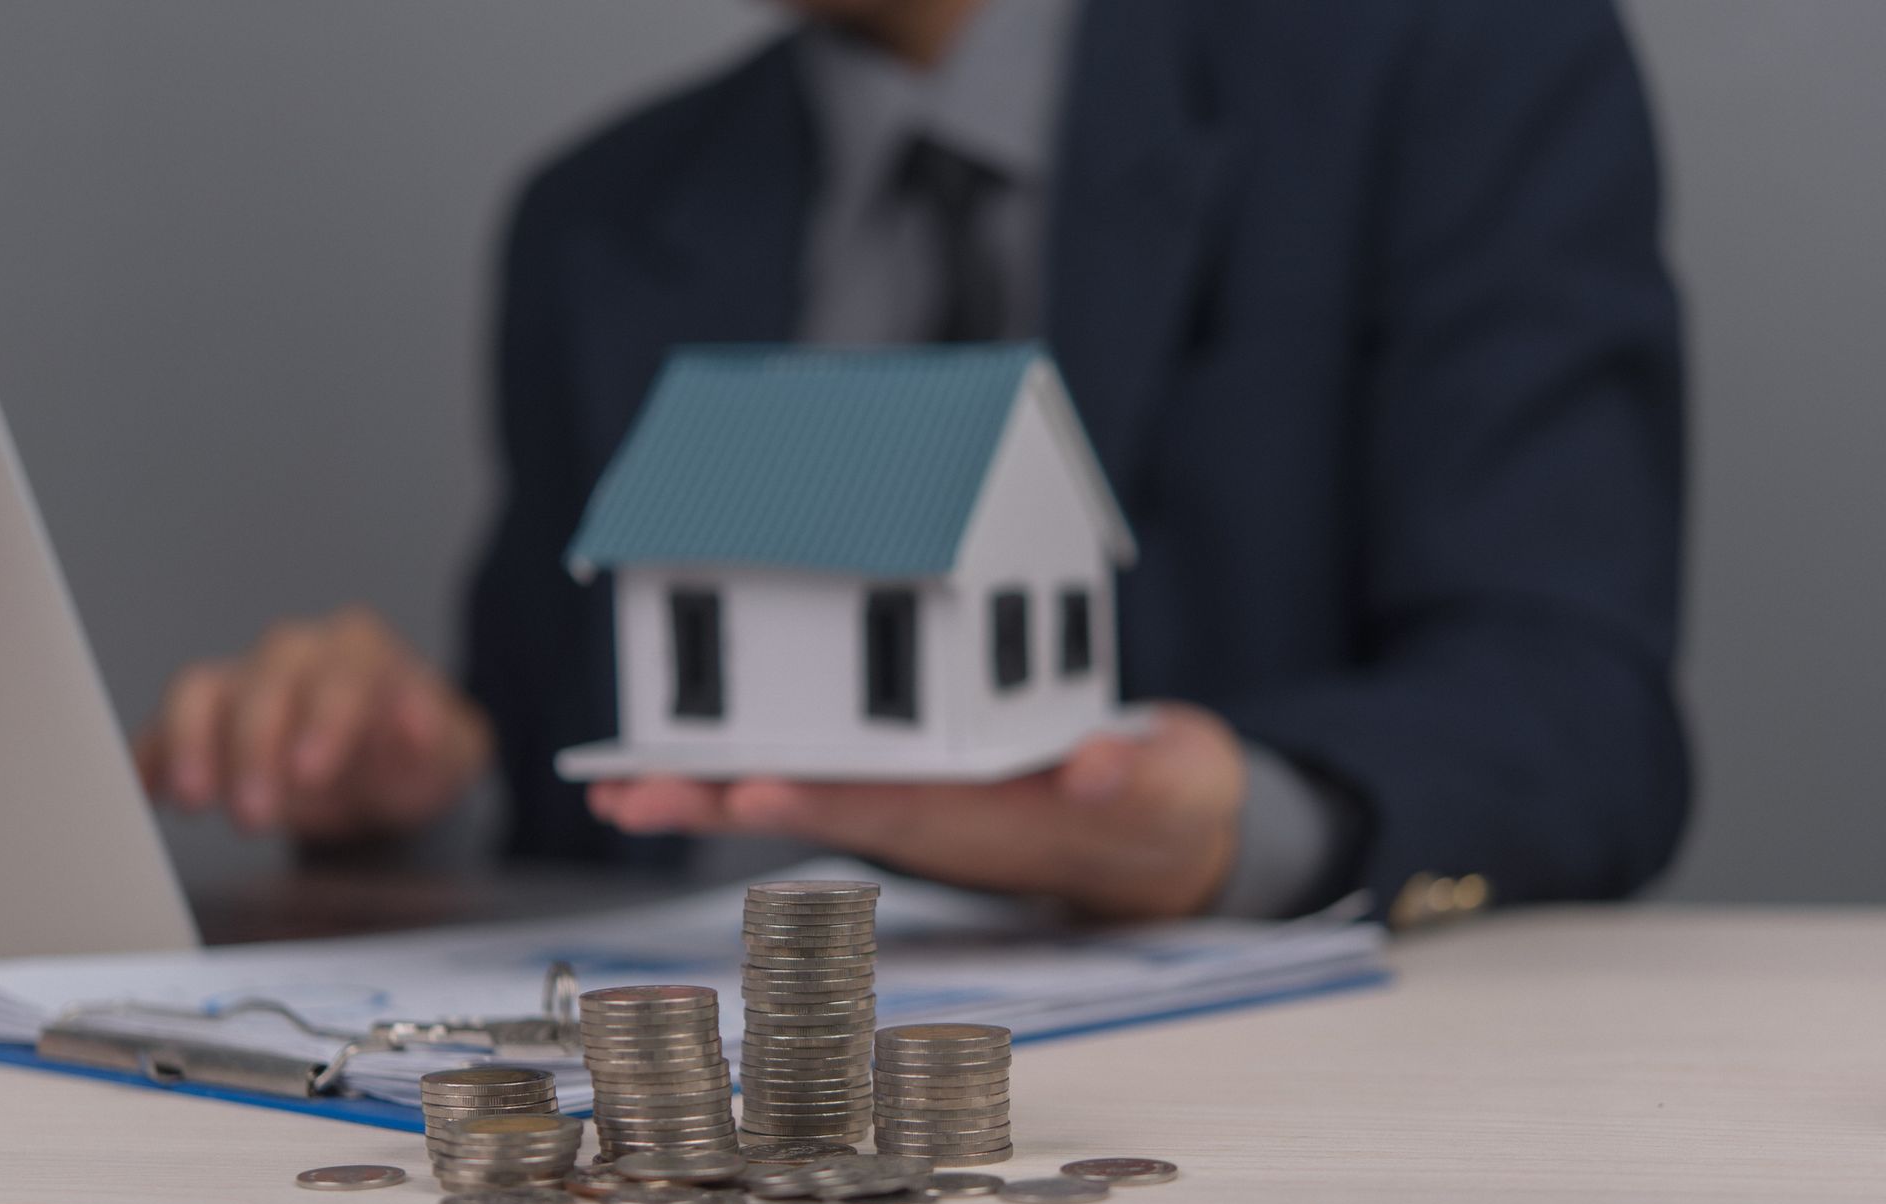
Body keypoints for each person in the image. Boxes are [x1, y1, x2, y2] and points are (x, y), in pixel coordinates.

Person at [134, 0, 1688, 926]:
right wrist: (417, 792)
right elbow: (590, 775)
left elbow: (1574, 710)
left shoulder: (1453, 62)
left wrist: (1226, 824)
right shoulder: (598, 223)